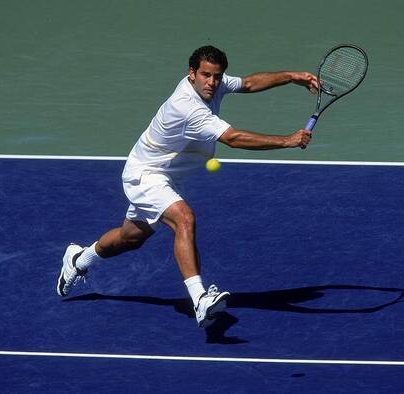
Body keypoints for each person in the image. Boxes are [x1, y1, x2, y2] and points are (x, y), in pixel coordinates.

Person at [57, 45, 317, 328]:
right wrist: (287, 140)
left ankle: (81, 258)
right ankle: (200, 299)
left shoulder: (213, 85)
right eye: (205, 75)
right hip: (145, 174)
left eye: (217, 76)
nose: (212, 82)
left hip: (167, 175)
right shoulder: (187, 106)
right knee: (184, 218)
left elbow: (250, 83)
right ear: (191, 74)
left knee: (130, 238)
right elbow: (233, 138)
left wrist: (293, 76)